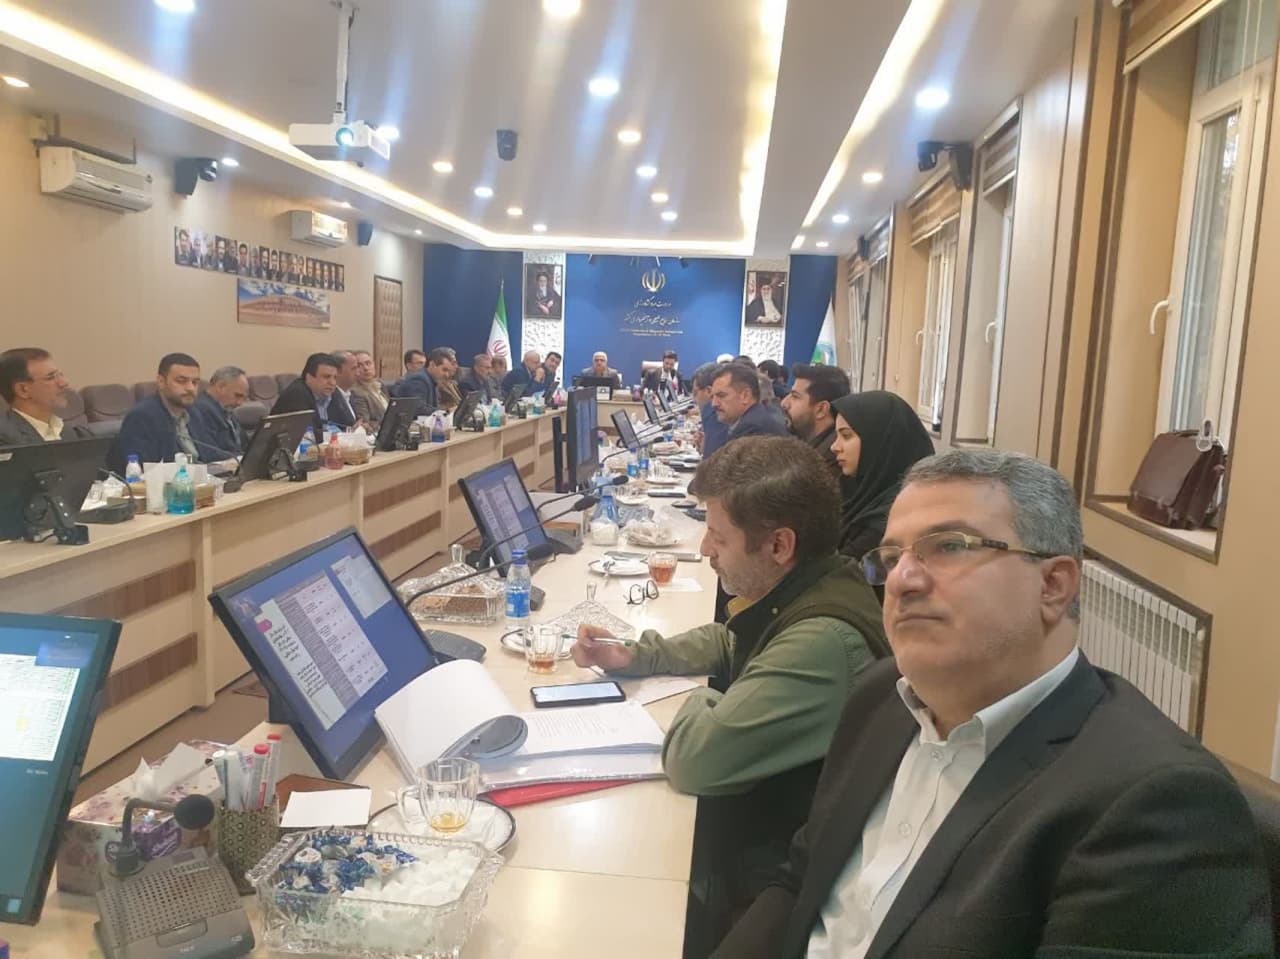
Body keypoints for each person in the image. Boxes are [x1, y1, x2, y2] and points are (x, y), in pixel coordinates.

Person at [714, 448, 1273, 959]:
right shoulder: (881, 698)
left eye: (950, 547)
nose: (902, 580)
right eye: (892, 556)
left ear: (1054, 585)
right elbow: (802, 880)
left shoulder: (1155, 806)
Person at [573, 436, 889, 945]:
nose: (704, 549)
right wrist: (637, 656)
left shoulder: (821, 641)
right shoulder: (813, 583)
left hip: (770, 873)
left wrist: (703, 698)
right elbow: (732, 639)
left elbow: (694, 760)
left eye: (718, 537)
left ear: (779, 546)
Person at [829, 391, 935, 561]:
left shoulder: (889, 521)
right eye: (837, 436)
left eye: (846, 436)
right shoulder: (855, 489)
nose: (834, 447)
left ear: (877, 441)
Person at [107, 353, 203, 475]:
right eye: (181, 381)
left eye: (195, 382)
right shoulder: (142, 417)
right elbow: (143, 470)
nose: (190, 388)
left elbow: (208, 456)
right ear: (161, 382)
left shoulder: (194, 413)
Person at [0, 348, 93, 444]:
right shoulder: (5, 440)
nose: (64, 382)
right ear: (22, 390)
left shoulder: (78, 434)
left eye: (60, 375)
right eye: (50, 377)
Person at [782, 364, 850, 480]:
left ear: (821, 409)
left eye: (795, 396)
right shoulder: (811, 447)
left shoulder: (829, 462)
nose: (784, 403)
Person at [271, 353, 352, 437]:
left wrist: (355, 428)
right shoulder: (297, 394)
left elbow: (348, 423)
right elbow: (309, 435)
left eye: (335, 377)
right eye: (326, 377)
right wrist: (338, 434)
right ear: (309, 377)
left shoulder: (331, 391)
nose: (332, 382)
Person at [711, 362, 790, 441]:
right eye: (712, 397)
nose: (714, 403)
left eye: (721, 395)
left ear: (745, 396)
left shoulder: (752, 430)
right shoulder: (759, 418)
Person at [190, 365, 249, 459]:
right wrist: (242, 457)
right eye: (237, 396)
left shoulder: (226, 408)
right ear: (220, 386)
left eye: (244, 398)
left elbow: (245, 444)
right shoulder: (199, 410)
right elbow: (210, 454)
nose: (240, 403)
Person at [392, 347, 455, 416]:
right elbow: (418, 409)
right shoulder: (418, 379)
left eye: (448, 371)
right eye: (444, 370)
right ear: (432, 364)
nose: (447, 375)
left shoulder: (431, 379)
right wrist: (446, 411)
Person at [691, 361, 730, 459]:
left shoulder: (712, 410)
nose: (694, 399)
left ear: (709, 391)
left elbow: (711, 459)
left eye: (695, 393)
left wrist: (707, 450)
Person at [349, 350, 389, 427]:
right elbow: (365, 423)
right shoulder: (356, 392)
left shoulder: (380, 384)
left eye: (368, 363)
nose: (366, 368)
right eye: (359, 365)